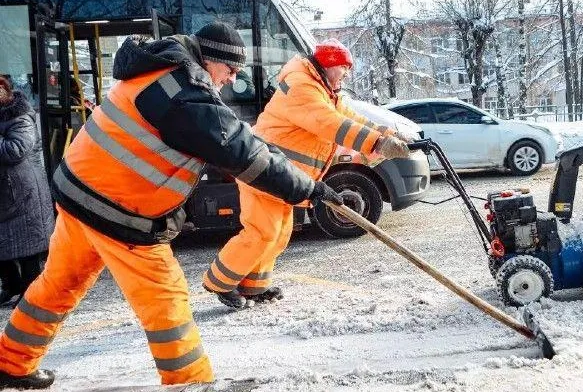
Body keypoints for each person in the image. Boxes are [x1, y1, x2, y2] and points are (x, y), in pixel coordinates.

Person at [0, 22, 342, 389]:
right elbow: (242, 152)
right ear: (212, 61)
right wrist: (310, 189)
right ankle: (191, 383)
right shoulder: (184, 94)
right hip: (119, 211)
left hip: (79, 193)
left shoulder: (165, 72)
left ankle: (11, 362)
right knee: (167, 301)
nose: (230, 79)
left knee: (58, 283)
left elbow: (241, 138)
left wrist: (307, 183)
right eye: (229, 71)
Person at [202, 38, 411, 310]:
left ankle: (254, 286)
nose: (346, 73)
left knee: (278, 233)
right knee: (261, 232)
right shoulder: (303, 87)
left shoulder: (323, 89)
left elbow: (350, 117)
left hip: (281, 176)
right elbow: (329, 123)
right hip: (262, 170)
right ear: (329, 65)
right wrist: (376, 143)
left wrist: (388, 134)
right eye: (344, 68)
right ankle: (219, 282)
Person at [0, 76, 53, 307]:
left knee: (27, 244)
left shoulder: (20, 116)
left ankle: (32, 292)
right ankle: (11, 286)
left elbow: (16, 150)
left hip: (23, 190)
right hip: (6, 191)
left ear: (5, 91)